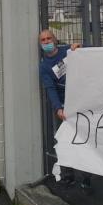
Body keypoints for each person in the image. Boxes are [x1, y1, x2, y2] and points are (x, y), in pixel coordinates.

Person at [38, 30, 87, 189]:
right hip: (64, 107)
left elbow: (91, 53)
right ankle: (68, 175)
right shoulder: (44, 66)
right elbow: (50, 88)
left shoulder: (69, 51)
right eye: (43, 40)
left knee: (84, 139)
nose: (46, 42)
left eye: (48, 39)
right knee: (65, 140)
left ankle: (87, 176)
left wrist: (80, 47)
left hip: (81, 102)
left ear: (55, 40)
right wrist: (58, 108)